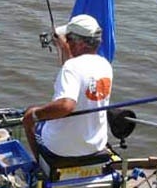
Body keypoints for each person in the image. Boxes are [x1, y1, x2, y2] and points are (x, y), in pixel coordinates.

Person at [23, 14, 113, 163]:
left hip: (61, 149)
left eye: (69, 39)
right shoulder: (105, 65)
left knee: (29, 118)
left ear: (80, 43)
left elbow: (66, 105)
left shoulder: (71, 68)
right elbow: (79, 72)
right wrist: (65, 48)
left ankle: (41, 166)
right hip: (95, 145)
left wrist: (33, 115)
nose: (67, 42)